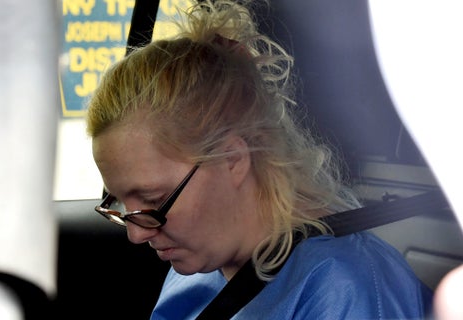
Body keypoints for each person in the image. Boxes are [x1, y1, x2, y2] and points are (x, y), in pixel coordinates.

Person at [85, 0, 433, 318]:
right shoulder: (194, 274)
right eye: (120, 205)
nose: (135, 234)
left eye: (153, 201)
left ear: (233, 158)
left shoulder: (345, 287)